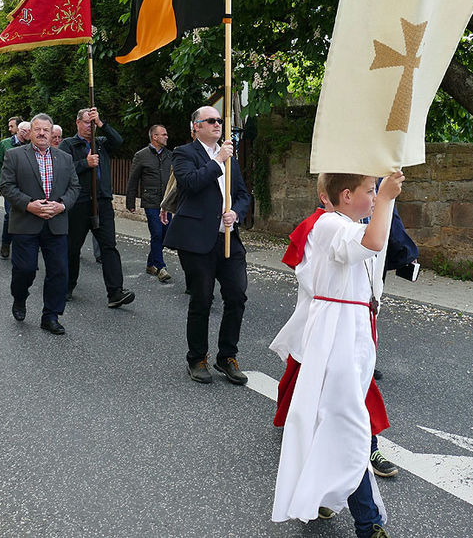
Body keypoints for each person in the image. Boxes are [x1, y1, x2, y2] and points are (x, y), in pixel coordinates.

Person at [271, 172, 403, 538]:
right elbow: (374, 241)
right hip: (336, 331)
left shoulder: (344, 222)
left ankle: (321, 493)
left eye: (377, 192)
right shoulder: (329, 224)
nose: (375, 197)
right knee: (348, 423)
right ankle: (368, 523)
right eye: (369, 191)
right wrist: (389, 198)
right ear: (346, 195)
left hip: (351, 328)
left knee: (332, 420)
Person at [163, 106, 251, 385]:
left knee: (237, 296)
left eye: (219, 121)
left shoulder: (231, 159)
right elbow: (189, 184)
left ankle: (227, 356)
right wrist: (217, 161)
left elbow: (242, 194)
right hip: (196, 239)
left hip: (227, 237)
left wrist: (235, 212)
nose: (217, 124)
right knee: (202, 299)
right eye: (211, 121)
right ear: (196, 127)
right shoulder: (184, 153)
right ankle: (197, 358)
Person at [0, 114, 79, 335]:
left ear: (52, 132)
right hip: (25, 222)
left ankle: (50, 316)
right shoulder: (14, 155)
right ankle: (20, 297)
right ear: (30, 132)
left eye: (46, 129)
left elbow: (74, 188)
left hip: (56, 223)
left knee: (59, 271)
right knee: (24, 270)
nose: (42, 133)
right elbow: (6, 185)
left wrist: (61, 206)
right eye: (38, 129)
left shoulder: (64, 158)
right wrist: (28, 205)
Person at [59, 107, 135, 309]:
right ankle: (66, 286)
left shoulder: (100, 143)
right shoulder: (68, 145)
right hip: (79, 203)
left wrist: (101, 123)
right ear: (77, 123)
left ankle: (115, 292)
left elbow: (118, 141)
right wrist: (85, 163)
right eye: (87, 122)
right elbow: (63, 170)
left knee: (109, 247)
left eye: (93, 123)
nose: (90, 127)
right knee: (72, 248)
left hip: (102, 202)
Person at [126, 124, 174, 283]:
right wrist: (130, 201)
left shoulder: (170, 155)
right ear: (154, 137)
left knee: (166, 233)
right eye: (163, 134)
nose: (166, 137)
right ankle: (161, 267)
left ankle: (150, 263)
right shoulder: (141, 155)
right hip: (151, 201)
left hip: (166, 202)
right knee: (156, 233)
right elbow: (133, 180)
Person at [0, 120, 31, 258]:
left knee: (27, 216)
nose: (29, 134)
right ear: (20, 131)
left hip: (27, 187)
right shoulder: (5, 144)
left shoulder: (30, 145)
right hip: (10, 187)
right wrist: (0, 184)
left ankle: (24, 245)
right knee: (10, 216)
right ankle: (5, 243)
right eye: (26, 131)